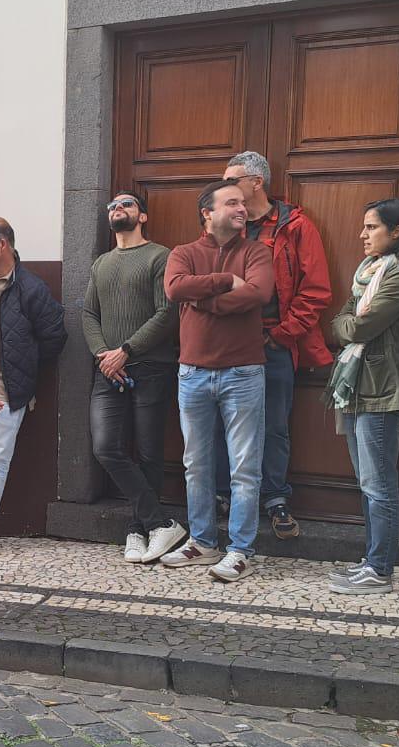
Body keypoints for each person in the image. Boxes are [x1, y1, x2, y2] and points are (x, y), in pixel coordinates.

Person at [214, 151, 333, 539]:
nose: (225, 186)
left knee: (274, 427)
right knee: (224, 424)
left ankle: (275, 500)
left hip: (274, 345)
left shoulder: (295, 226)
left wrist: (281, 334)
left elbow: (315, 292)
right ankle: (224, 497)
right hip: (227, 345)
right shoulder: (220, 226)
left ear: (256, 183)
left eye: (232, 179)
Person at [163, 182, 276, 582]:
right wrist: (227, 282)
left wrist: (202, 296)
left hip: (243, 372)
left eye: (243, 203)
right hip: (192, 372)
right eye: (232, 202)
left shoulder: (257, 251)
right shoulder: (183, 253)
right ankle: (203, 541)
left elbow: (259, 293)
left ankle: (241, 550)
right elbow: (175, 288)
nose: (242, 208)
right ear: (207, 213)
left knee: (244, 467)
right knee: (195, 463)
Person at [324, 198, 399, 596]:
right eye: (364, 227)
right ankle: (371, 561)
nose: (362, 235)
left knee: (379, 482)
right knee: (366, 481)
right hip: (355, 388)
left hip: (384, 389)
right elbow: (341, 321)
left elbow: (356, 328)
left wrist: (347, 324)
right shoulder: (367, 274)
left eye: (371, 227)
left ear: (396, 231)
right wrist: (347, 323)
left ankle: (381, 569)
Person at [85, 192, 185, 564]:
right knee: (106, 447)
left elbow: (166, 313)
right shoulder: (101, 264)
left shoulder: (161, 256)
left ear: (142, 215)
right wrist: (103, 356)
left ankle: (138, 530)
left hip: (150, 366)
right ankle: (159, 523)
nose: (117, 210)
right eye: (112, 206)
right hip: (107, 371)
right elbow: (88, 316)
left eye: (126, 204)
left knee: (148, 453)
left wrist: (125, 351)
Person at [0, 216, 66, 557]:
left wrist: (26, 373)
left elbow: (54, 336)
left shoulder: (31, 288)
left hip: (7, 392)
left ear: (1, 245)